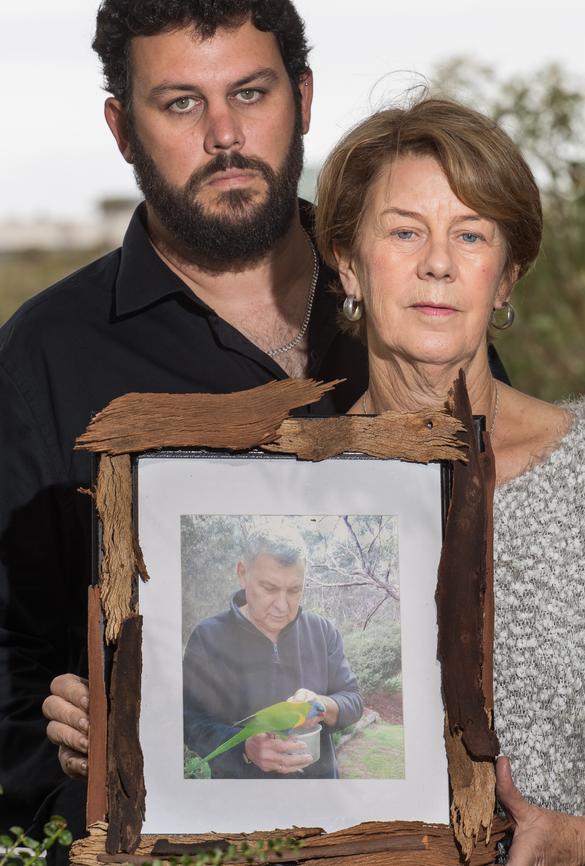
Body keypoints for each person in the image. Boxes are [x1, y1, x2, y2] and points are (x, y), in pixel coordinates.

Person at [1, 0, 372, 837]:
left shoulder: (411, 315)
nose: (224, 135)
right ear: (121, 128)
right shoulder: (42, 359)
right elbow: (8, 655)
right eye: (179, 104)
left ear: (303, 99)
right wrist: (70, 757)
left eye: (250, 93)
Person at [314, 98, 585, 865]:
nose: (439, 262)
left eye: (471, 235)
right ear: (347, 263)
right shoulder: (286, 496)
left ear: (506, 278)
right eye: (405, 232)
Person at [183, 527, 362, 778]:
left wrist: (322, 705)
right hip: (243, 801)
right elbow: (189, 721)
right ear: (243, 574)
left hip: (319, 796)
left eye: (294, 590)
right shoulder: (207, 637)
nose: (282, 605)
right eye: (269, 588)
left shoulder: (322, 631)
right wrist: (243, 748)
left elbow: (352, 699)